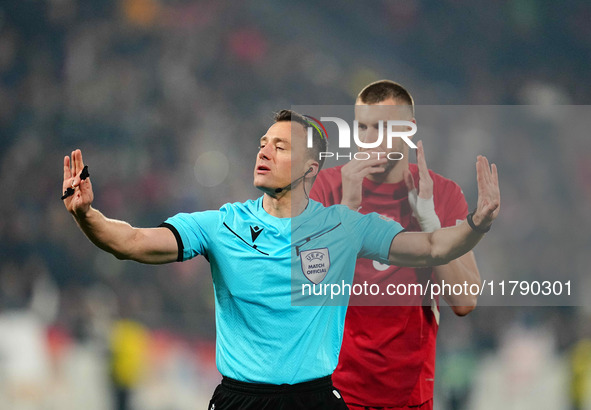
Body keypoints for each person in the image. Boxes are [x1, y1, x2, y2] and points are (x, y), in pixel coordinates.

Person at [62, 109, 499, 410]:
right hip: (239, 400)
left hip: (314, 399)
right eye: (263, 143)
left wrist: (476, 223)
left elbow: (433, 248)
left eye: (281, 147)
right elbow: (133, 242)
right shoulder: (221, 225)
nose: (264, 152)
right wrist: (87, 214)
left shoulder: (345, 228)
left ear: (312, 167)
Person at [309, 80, 482, 410]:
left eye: (383, 128)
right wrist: (347, 208)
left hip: (409, 395)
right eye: (363, 127)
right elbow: (305, 285)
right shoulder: (325, 188)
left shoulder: (441, 194)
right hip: (331, 390)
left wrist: (430, 224)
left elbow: (464, 300)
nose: (370, 138)